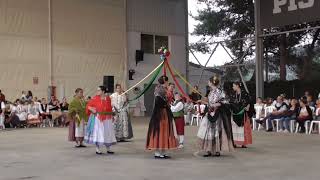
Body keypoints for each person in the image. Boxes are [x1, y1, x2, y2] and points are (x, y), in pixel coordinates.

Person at [197, 76, 234, 157]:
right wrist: (203, 101)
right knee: (209, 131)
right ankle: (209, 149)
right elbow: (209, 102)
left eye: (209, 81)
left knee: (216, 131)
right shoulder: (210, 92)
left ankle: (217, 150)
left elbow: (225, 101)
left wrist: (214, 105)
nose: (208, 82)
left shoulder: (220, 91)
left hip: (217, 113)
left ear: (212, 82)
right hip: (210, 112)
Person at [146, 76, 177, 159]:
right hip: (159, 114)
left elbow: (168, 99)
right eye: (167, 81)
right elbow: (158, 101)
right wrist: (166, 104)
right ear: (165, 81)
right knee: (159, 131)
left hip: (165, 113)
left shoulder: (164, 89)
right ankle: (157, 152)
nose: (167, 83)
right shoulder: (159, 89)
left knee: (165, 131)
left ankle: (163, 151)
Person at [85, 86, 117, 155]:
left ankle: (108, 149)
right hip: (99, 119)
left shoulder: (108, 98)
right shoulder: (95, 98)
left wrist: (113, 114)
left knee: (107, 133)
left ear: (103, 91)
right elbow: (88, 106)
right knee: (99, 133)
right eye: (97, 90)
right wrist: (92, 109)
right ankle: (97, 149)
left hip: (107, 119)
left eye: (99, 90)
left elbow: (110, 108)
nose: (97, 92)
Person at [230, 82, 252, 148]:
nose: (232, 87)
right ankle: (235, 142)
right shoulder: (233, 94)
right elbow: (231, 102)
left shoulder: (245, 93)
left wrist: (247, 106)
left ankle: (243, 143)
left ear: (237, 86)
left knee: (243, 128)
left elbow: (249, 101)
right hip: (234, 113)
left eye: (233, 86)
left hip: (242, 113)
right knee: (234, 128)